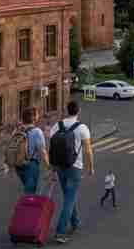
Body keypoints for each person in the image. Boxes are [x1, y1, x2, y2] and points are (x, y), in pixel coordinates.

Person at [48, 100, 94, 244]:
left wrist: (52, 168)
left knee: (68, 196)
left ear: (66, 111)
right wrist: (90, 167)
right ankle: (60, 232)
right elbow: (88, 150)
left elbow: (52, 148)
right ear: (78, 111)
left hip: (60, 166)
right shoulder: (82, 128)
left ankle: (75, 221)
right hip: (75, 167)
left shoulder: (57, 126)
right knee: (69, 199)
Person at [9, 106, 49, 195]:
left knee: (28, 188)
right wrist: (48, 166)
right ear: (33, 117)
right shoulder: (37, 131)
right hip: (31, 165)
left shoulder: (16, 131)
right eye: (37, 115)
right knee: (30, 192)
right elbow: (42, 151)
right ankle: (27, 203)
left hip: (18, 165)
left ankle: (28, 201)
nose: (38, 116)